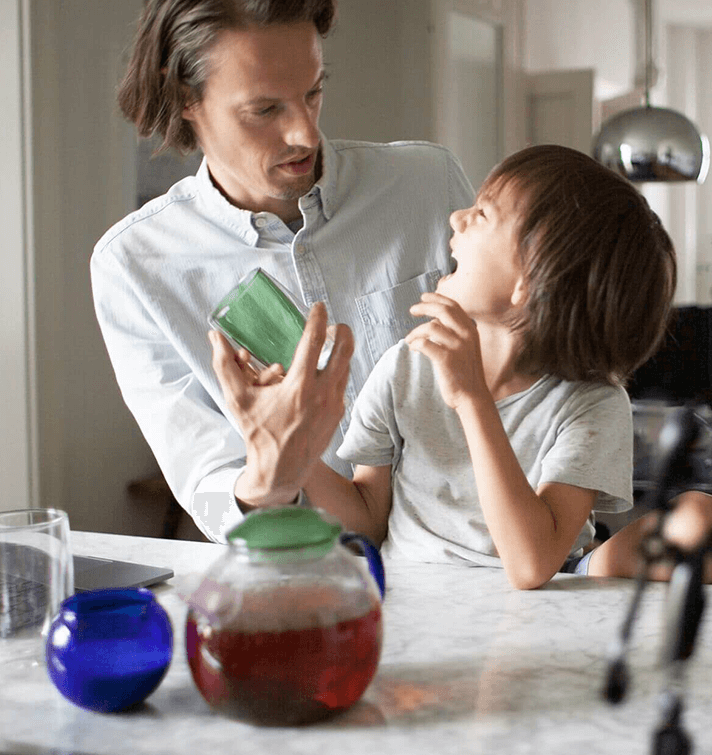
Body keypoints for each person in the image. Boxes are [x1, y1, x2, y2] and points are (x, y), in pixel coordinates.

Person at [212, 144, 712, 589]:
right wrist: (292, 448)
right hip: (418, 585)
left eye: (482, 214)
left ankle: (602, 569)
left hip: (548, 583)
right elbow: (366, 518)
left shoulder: (593, 403)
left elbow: (531, 566)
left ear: (530, 281)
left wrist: (472, 399)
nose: (456, 218)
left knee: (699, 517)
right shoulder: (406, 365)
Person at [91, 0, 475, 541]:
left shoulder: (427, 184)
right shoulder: (133, 267)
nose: (305, 134)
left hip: (486, 558)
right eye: (265, 109)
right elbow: (204, 475)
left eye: (313, 93)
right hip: (310, 579)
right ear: (184, 97)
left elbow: (532, 355)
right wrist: (272, 471)